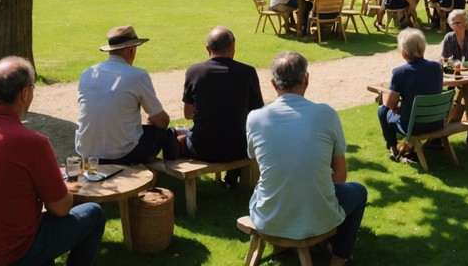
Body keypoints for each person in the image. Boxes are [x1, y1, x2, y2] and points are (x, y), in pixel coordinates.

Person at [0, 56, 106, 265]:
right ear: (25, 93)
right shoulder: (33, 143)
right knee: (93, 214)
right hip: (8, 252)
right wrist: (62, 187)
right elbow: (61, 208)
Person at [246, 52, 367, 266]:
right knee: (358, 191)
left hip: (269, 217)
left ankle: (286, 240)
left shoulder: (255, 118)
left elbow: (262, 165)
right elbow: (340, 176)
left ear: (274, 84)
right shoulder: (326, 114)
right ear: (306, 79)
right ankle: (338, 259)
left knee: (269, 185)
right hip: (319, 216)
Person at [76, 25, 175, 164]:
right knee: (162, 132)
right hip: (121, 155)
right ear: (132, 50)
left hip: (86, 151)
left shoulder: (87, 74)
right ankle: (148, 167)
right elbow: (161, 121)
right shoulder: (137, 75)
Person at [179, 27, 263, 185]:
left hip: (202, 148)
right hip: (238, 148)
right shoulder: (247, 72)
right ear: (232, 46)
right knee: (235, 128)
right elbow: (258, 113)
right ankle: (233, 176)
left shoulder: (194, 71)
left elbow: (188, 114)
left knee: (175, 134)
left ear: (207, 49)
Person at [377, 28, 444, 162]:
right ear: (423, 48)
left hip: (414, 125)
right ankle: (405, 147)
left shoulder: (400, 72)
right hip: (437, 121)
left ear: (403, 53)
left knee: (382, 110)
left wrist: (384, 92)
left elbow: (390, 105)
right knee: (402, 108)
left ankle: (393, 147)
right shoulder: (437, 67)